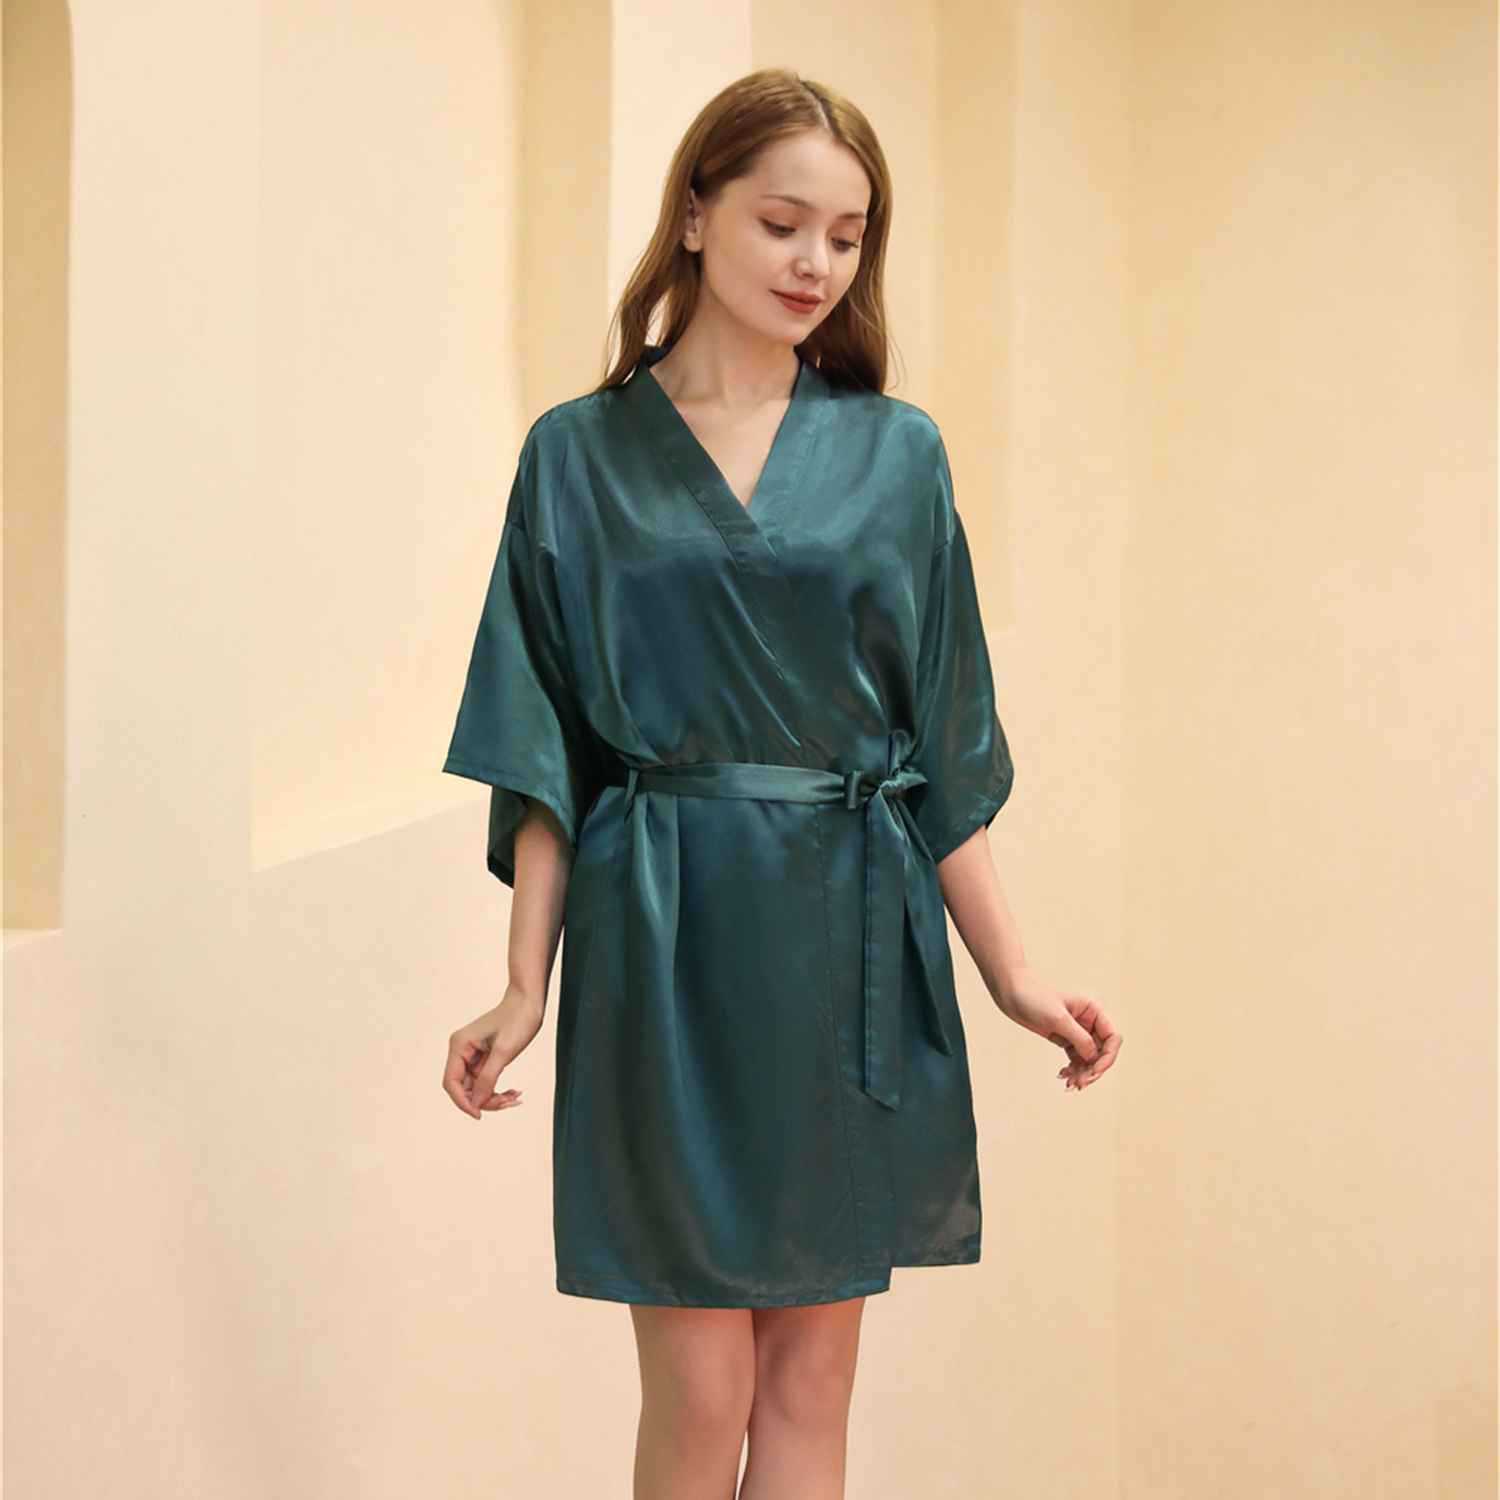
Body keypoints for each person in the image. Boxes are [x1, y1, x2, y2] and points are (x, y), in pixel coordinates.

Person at [439, 66, 1121, 1500]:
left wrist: (1012, 978)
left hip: (848, 935)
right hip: (664, 940)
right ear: (695, 215)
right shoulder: (577, 455)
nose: (817, 262)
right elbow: (544, 744)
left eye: (848, 237)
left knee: (811, 1389)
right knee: (702, 1397)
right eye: (782, 223)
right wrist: (522, 984)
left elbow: (940, 749)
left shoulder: (897, 455)